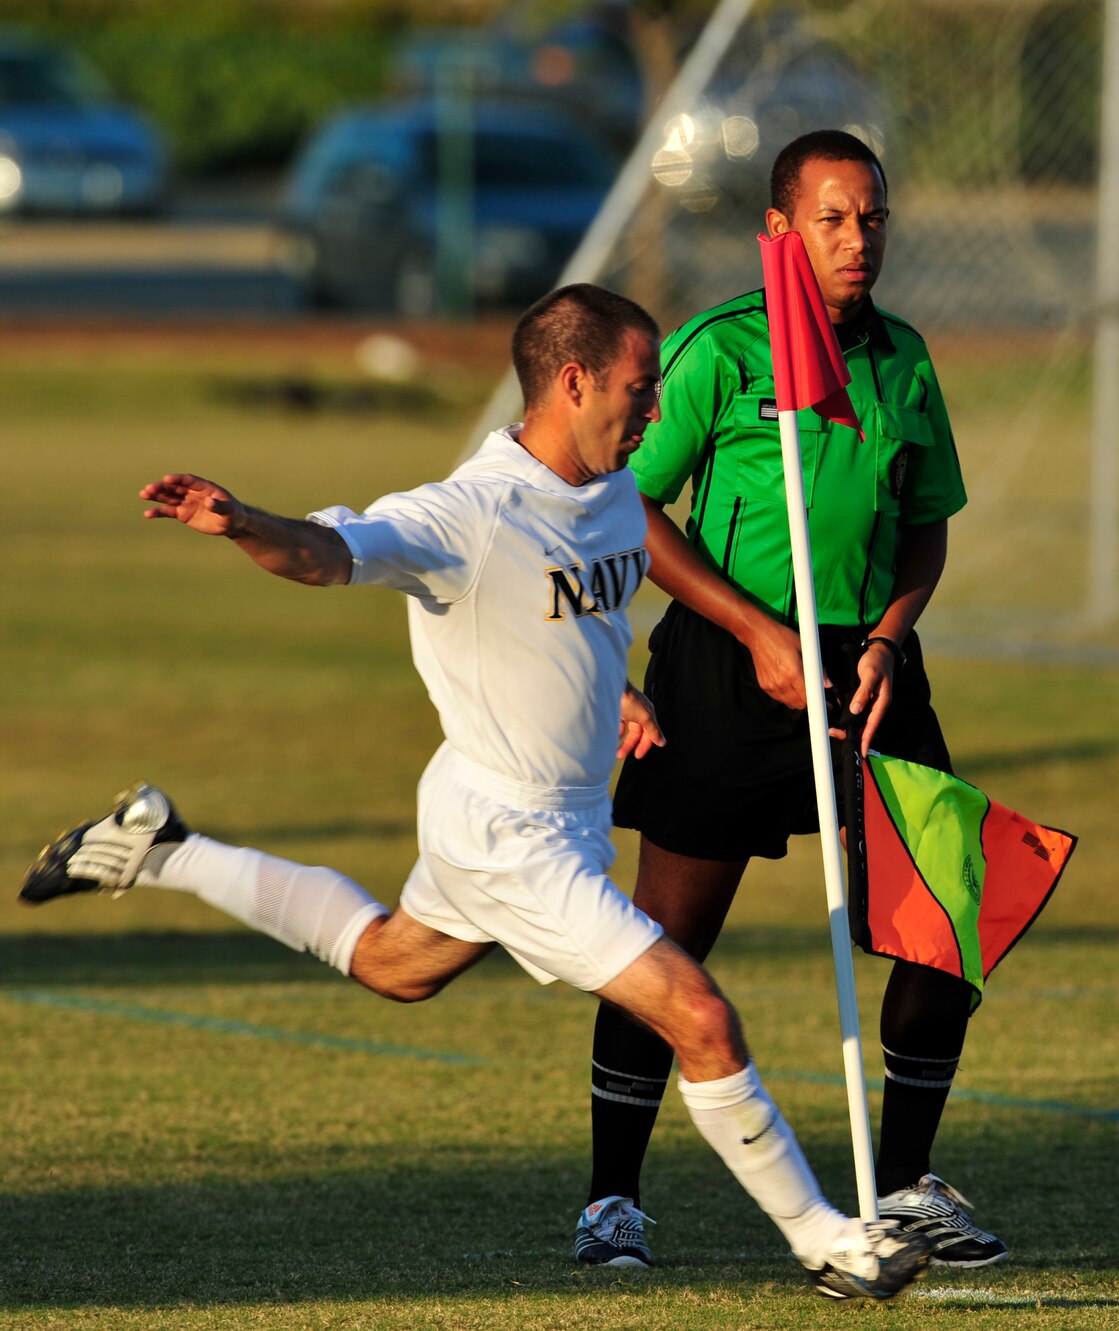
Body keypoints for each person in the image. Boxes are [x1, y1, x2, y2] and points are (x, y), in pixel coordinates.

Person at [17, 283, 932, 1302]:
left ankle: (162, 847)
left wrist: (611, 690)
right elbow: (328, 554)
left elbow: (566, 612)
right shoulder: (469, 510)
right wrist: (239, 522)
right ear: (573, 380)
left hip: (549, 814)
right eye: (641, 387)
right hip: (509, 832)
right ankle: (829, 1241)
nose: (657, 409)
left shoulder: (612, 487)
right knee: (699, 1013)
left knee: (394, 963)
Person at [585, 130, 1005, 1269]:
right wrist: (755, 630)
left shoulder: (904, 359)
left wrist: (886, 637)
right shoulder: (718, 351)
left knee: (945, 914)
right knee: (666, 942)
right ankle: (611, 1198)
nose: (857, 239)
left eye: (870, 218)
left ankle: (908, 1184)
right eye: (831, 218)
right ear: (780, 230)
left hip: (866, 672)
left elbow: (925, 521)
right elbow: (632, 503)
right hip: (728, 665)